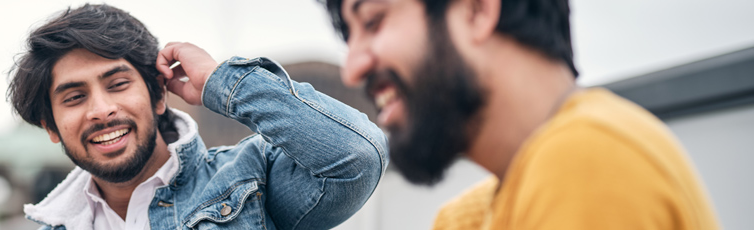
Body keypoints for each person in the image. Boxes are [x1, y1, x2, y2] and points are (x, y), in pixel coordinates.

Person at [303, 0, 718, 229]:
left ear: (477, 11)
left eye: (373, 21)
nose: (351, 68)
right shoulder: (468, 217)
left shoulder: (587, 163)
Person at [8, 4, 387, 230]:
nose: (101, 110)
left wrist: (221, 82)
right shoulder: (50, 224)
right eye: (74, 97)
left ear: (158, 94)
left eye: (118, 84)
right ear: (51, 127)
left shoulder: (250, 180)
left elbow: (357, 158)